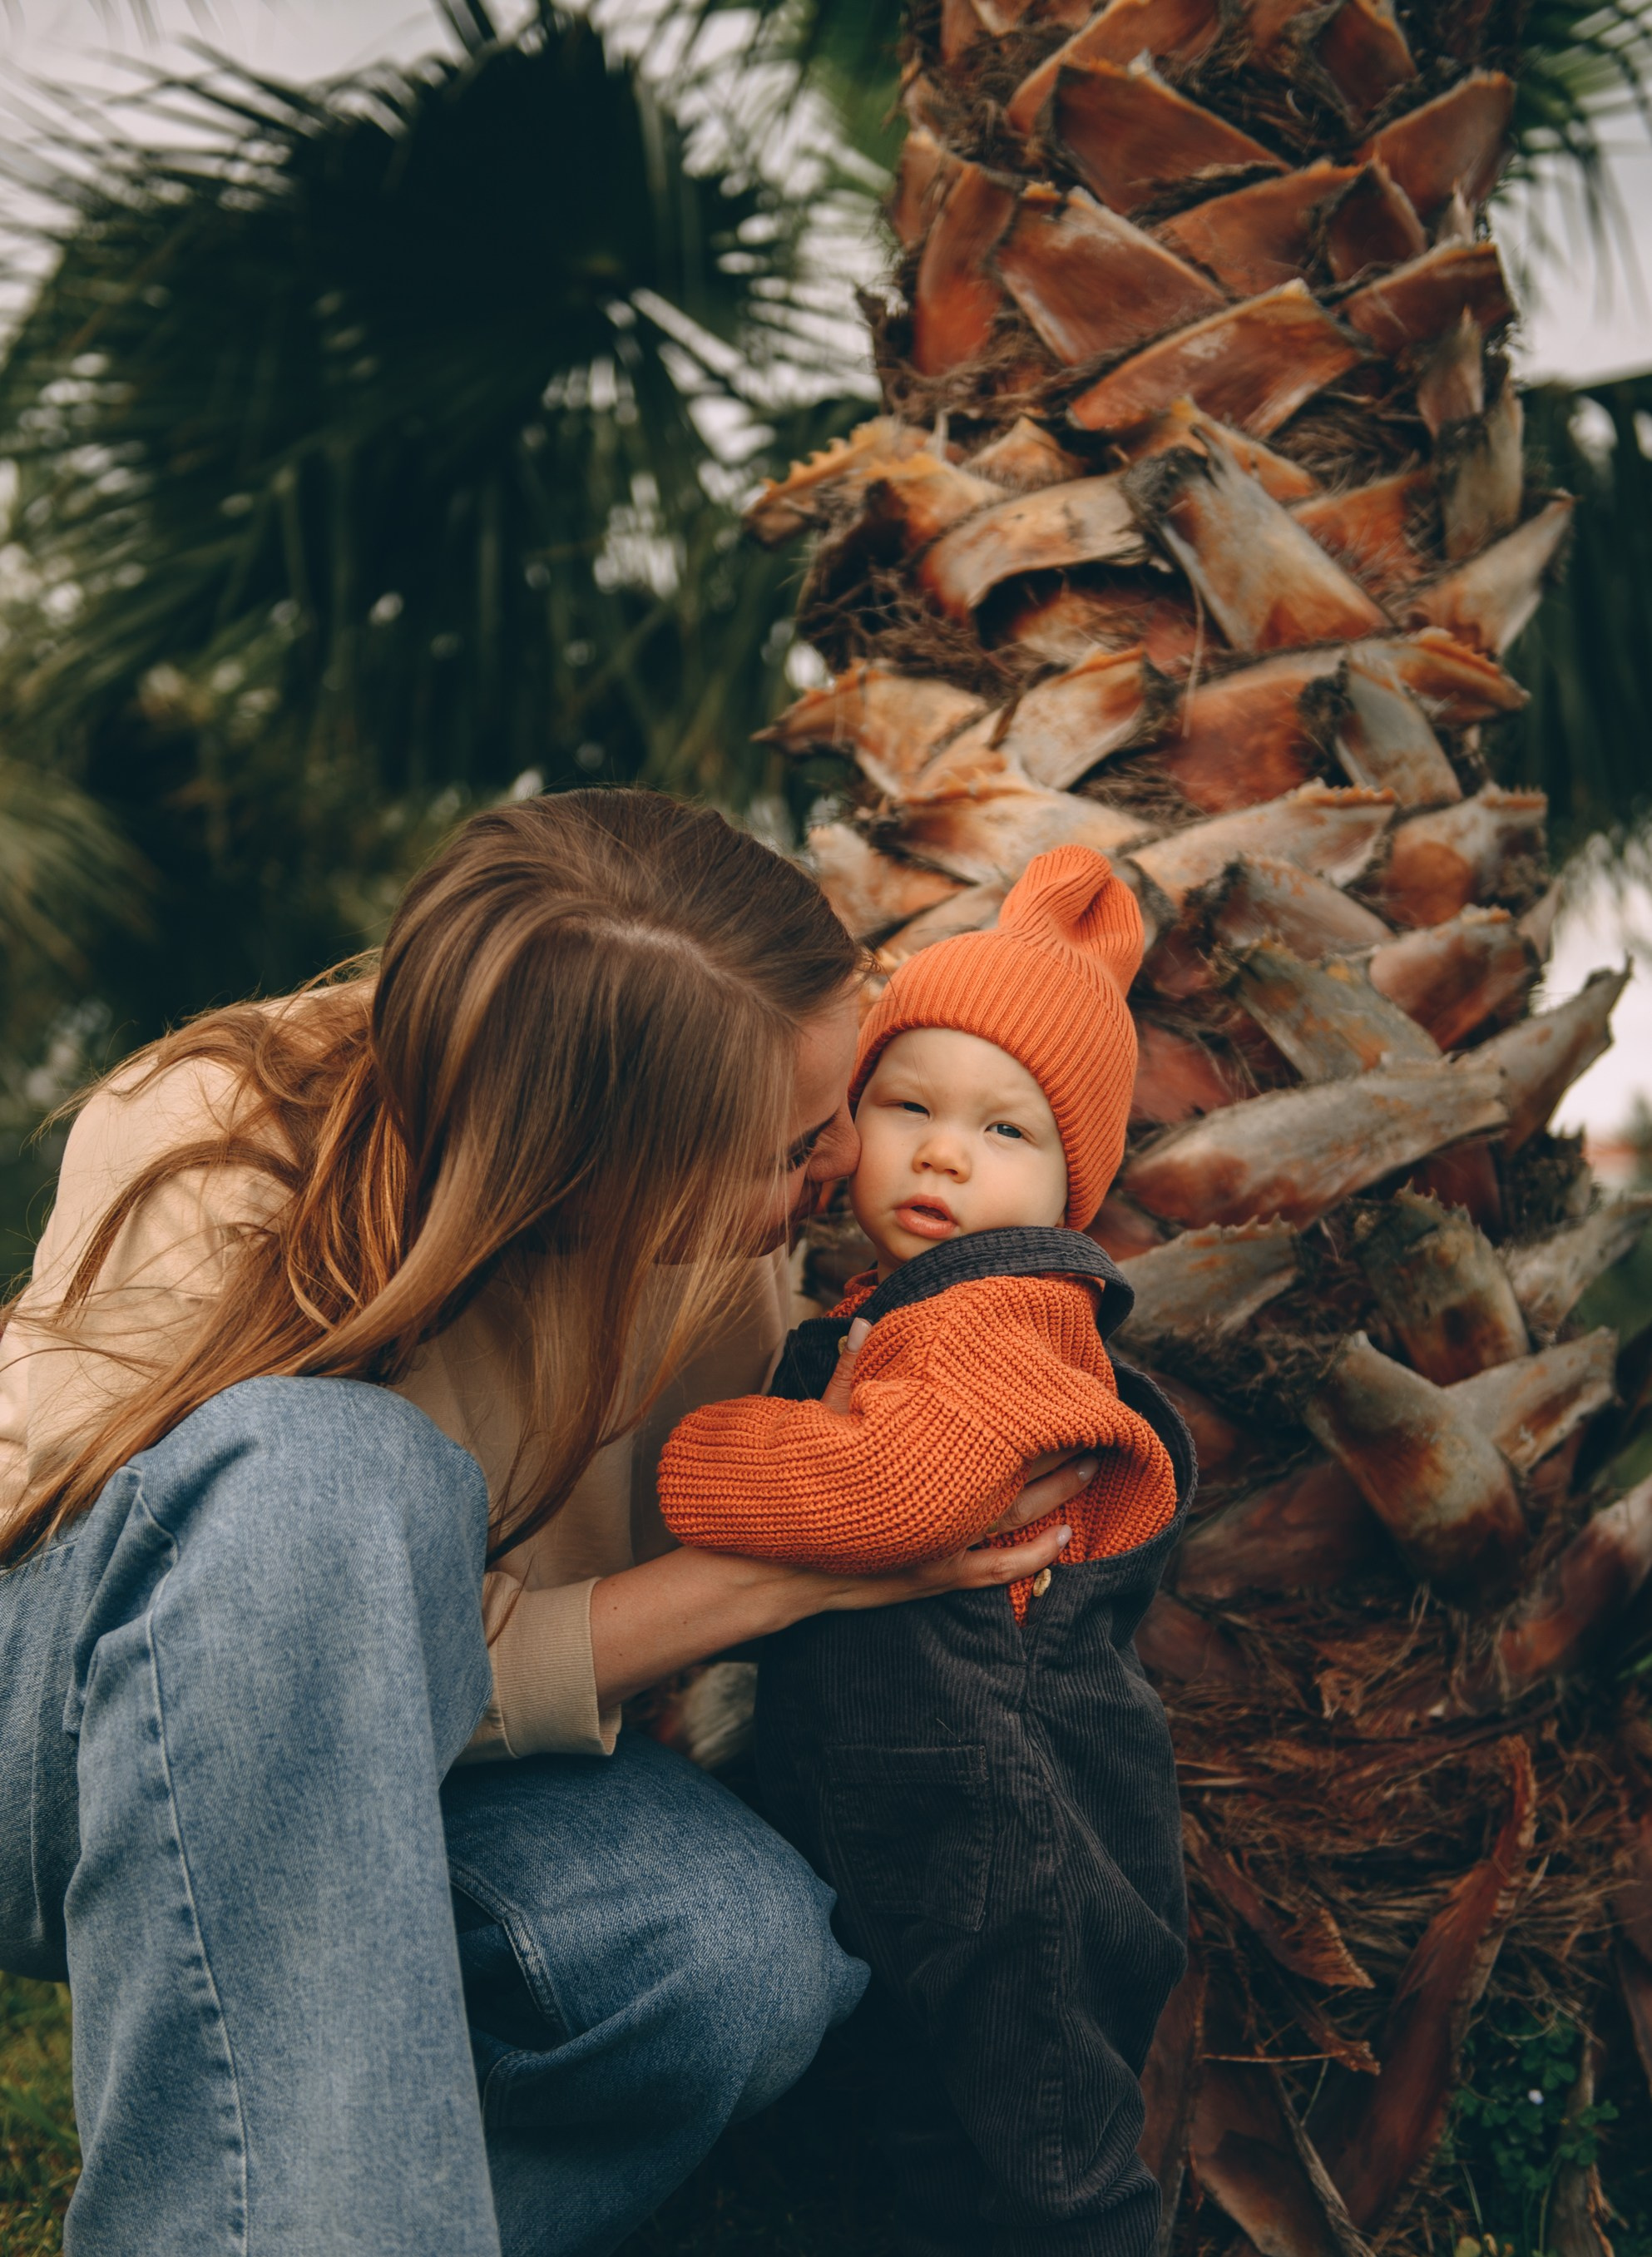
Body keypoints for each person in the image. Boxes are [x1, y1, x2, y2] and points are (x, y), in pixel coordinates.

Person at [0, 789, 1088, 2257]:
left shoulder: (711, 1274)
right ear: (593, 1161)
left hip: (433, 1777)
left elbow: (478, 1690)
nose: (831, 1165)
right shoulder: (212, 1139)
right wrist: (781, 1577)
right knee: (326, 1470)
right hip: (68, 1743)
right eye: (786, 1145)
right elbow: (179, 1629)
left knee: (730, 1961)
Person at [657, 846, 1198, 2257]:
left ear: (1075, 1184)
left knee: (1037, 2156)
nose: (946, 1152)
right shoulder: (885, 1309)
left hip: (1005, 1829)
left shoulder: (1009, 1318)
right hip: (903, 1815)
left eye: (1006, 1131)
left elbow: (900, 1493)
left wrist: (696, 1456)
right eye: (908, 1104)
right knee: (923, 2140)